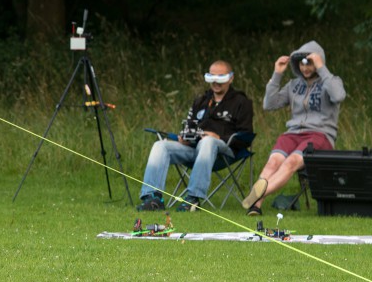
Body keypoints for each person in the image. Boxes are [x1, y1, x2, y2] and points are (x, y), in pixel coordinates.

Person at [242, 40, 346, 216]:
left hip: (319, 136)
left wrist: (321, 68)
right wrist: (277, 74)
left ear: (318, 62)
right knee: (273, 161)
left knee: (291, 162)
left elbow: (338, 95)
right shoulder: (293, 85)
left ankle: (257, 194)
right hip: (293, 134)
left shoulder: (331, 81)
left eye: (309, 62)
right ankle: (256, 205)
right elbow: (269, 104)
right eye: (301, 63)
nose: (305, 67)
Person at [138, 60, 254, 212]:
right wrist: (185, 138)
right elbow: (190, 127)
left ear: (231, 78)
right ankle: (152, 198)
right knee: (160, 146)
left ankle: (193, 199)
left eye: (220, 77)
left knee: (208, 142)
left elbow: (246, 136)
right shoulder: (201, 101)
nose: (215, 82)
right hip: (195, 149)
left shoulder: (241, 102)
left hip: (225, 151)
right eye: (211, 77)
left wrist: (218, 138)